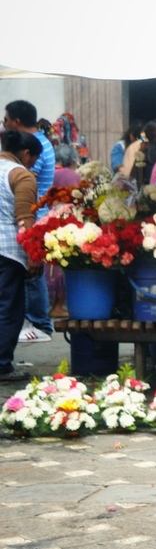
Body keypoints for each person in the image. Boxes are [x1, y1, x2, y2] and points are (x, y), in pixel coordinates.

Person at [4, 101, 54, 344]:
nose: (5, 122)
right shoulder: (20, 171)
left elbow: (25, 211)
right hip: (18, 233)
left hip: (33, 220)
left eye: (7, 118)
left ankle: (38, 323)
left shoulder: (33, 152)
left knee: (30, 280)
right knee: (14, 294)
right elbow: (23, 213)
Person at [0, 130, 40, 382]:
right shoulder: (20, 175)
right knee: (8, 308)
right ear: (25, 154)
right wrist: (33, 255)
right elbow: (25, 219)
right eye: (34, 159)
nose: (33, 164)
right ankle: (2, 365)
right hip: (7, 252)